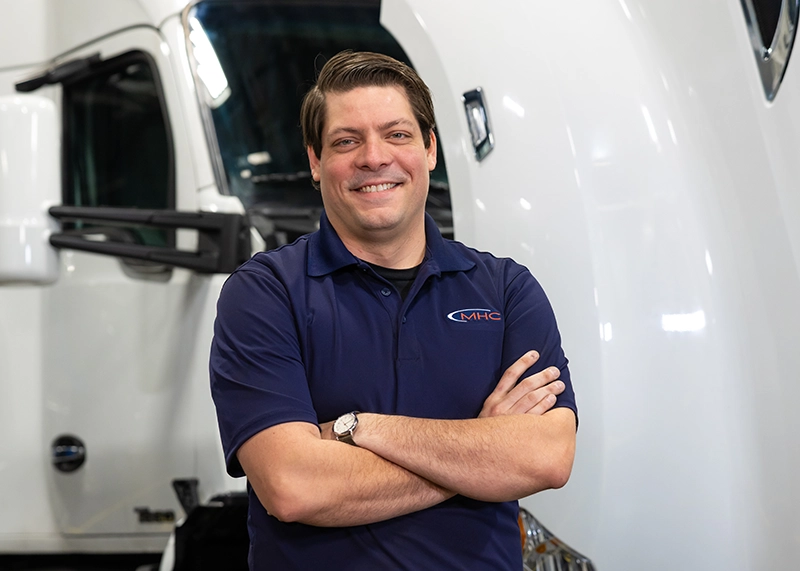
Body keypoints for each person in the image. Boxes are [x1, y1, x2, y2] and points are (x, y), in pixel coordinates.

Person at [210, 50, 577, 570]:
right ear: (315, 162)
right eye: (346, 141)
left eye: (398, 135)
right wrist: (481, 449)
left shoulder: (504, 290)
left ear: (429, 149)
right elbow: (293, 486)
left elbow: (546, 457)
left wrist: (357, 428)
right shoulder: (266, 293)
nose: (374, 158)